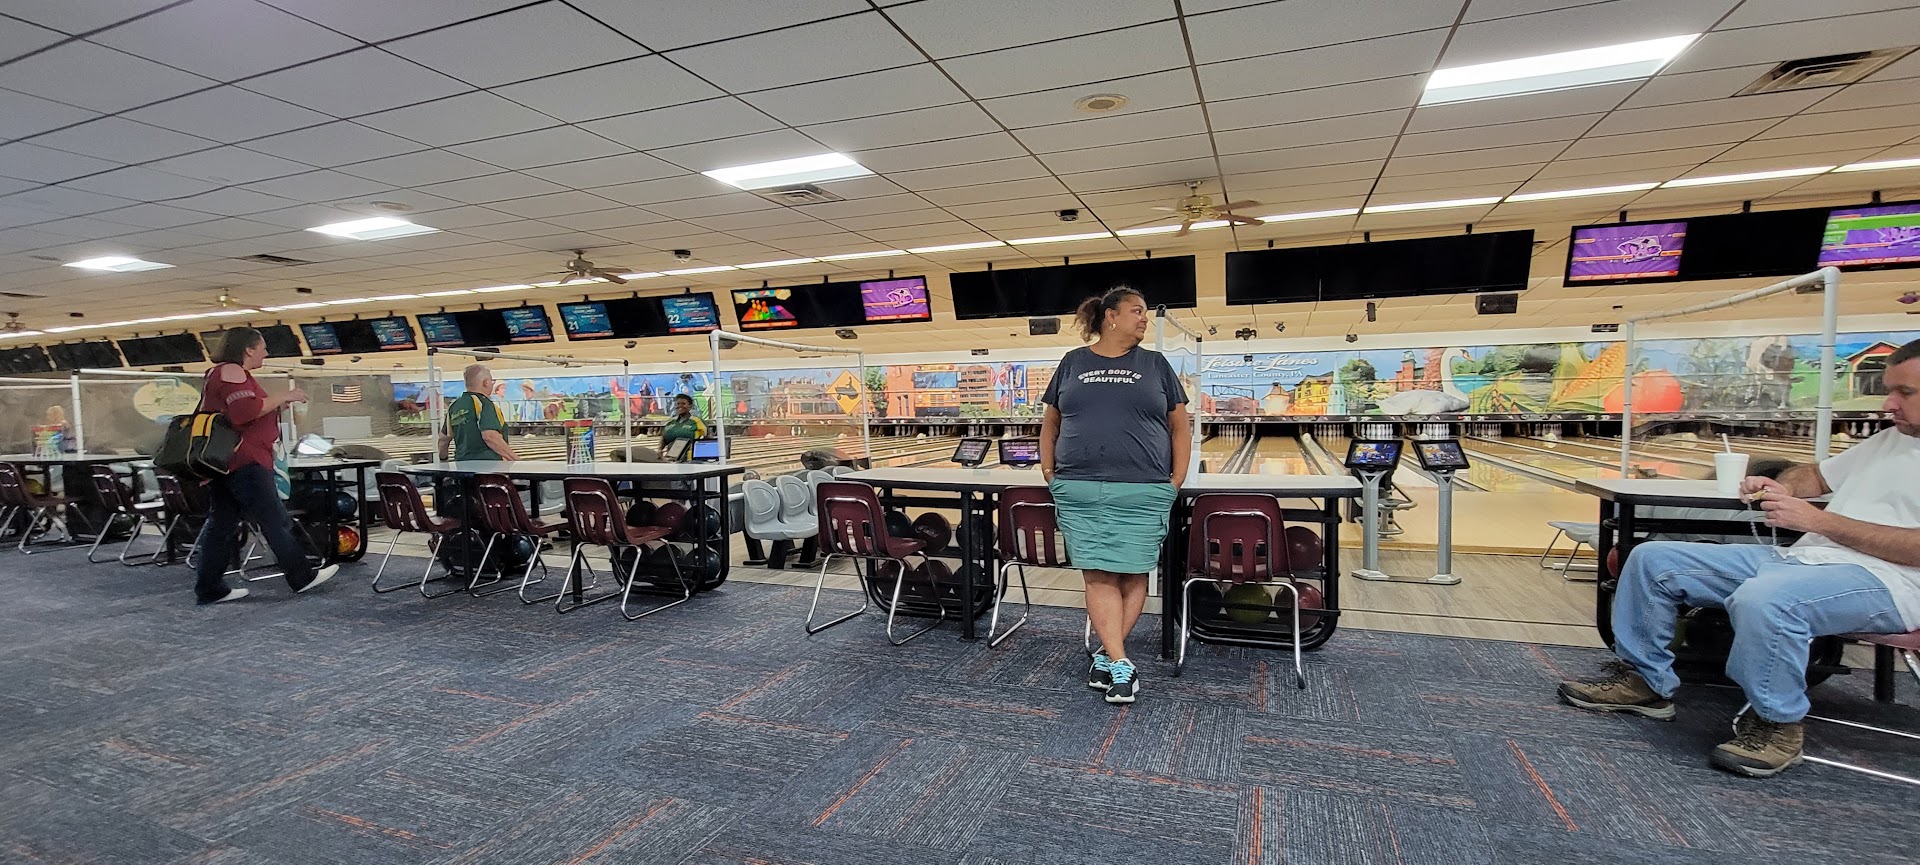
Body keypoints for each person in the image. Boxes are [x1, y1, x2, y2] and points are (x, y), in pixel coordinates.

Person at [1558, 338, 1920, 777]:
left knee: (1767, 599)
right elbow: (1813, 475)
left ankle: (1776, 725)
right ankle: (1646, 682)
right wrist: (1781, 486)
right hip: (1807, 563)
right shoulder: (1888, 440)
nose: (1888, 403)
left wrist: (1819, 522)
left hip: (1891, 583)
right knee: (1654, 559)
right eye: (1889, 389)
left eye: (1905, 393)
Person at [1040, 286, 1190, 705]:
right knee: (1098, 574)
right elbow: (1050, 422)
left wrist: (1174, 481)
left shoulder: (1155, 364)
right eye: (1137, 311)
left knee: (1133, 573)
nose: (1144, 319)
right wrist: (1051, 473)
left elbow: (1180, 426)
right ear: (1110, 317)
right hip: (1080, 485)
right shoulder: (1073, 362)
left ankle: (1110, 657)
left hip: (1144, 488)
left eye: (1145, 313)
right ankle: (1120, 662)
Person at [192, 327, 337, 604]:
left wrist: (271, 407)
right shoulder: (233, 372)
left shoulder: (215, 372)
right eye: (262, 347)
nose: (266, 353)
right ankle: (302, 577)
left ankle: (209, 587)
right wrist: (285, 397)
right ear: (248, 349)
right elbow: (243, 413)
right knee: (275, 521)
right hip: (245, 461)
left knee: (221, 524)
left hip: (222, 463)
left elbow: (241, 410)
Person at [442, 364, 517, 462]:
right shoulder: (485, 404)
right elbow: (490, 436)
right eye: (491, 381)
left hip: (461, 467)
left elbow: (443, 439)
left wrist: (443, 460)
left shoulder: (454, 406)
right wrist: (516, 460)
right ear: (486, 383)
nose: (492, 384)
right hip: (488, 469)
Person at [659, 393, 708, 462]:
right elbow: (663, 439)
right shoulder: (671, 422)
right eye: (678, 404)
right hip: (671, 459)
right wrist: (659, 451)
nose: (680, 406)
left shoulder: (697, 421)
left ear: (690, 406)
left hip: (690, 459)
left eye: (683, 403)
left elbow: (707, 439)